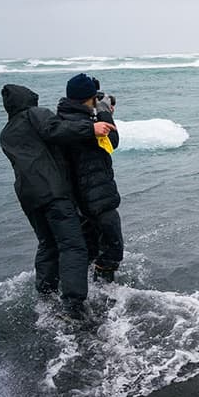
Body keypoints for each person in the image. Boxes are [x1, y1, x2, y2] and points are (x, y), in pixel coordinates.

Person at [0, 84, 116, 318]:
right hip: (53, 192)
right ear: (27, 99)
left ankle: (45, 294)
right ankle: (73, 304)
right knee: (73, 246)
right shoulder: (36, 114)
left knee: (48, 244)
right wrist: (91, 128)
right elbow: (56, 130)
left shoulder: (7, 132)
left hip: (28, 197)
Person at [57, 74, 123, 282]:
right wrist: (104, 113)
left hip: (80, 199)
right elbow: (112, 141)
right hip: (96, 197)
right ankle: (105, 291)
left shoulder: (66, 121)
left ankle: (85, 289)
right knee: (113, 246)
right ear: (89, 99)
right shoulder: (85, 126)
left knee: (91, 245)